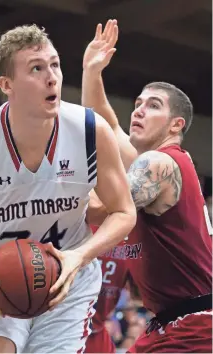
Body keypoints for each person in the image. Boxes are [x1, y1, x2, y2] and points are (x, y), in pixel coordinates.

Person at [0, 24, 136, 353]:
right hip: (0, 278)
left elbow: (124, 211)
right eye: (36, 68)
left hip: (67, 282)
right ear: (7, 84)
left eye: (55, 65)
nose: (52, 77)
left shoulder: (90, 131)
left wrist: (78, 256)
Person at [83, 19, 212, 353]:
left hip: (195, 324)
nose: (139, 110)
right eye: (138, 103)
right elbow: (104, 123)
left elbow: (104, 209)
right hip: (175, 322)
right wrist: (91, 71)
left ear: (176, 124)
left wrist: (43, 197)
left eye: (153, 105)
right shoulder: (155, 159)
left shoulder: (158, 163)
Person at [85, 225, 129, 353]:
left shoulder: (79, 226)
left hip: (93, 331)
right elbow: (138, 294)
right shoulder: (129, 239)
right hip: (85, 330)